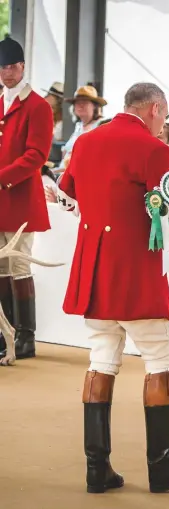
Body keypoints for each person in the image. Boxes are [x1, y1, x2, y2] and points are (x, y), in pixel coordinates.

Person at [55, 83, 169, 494]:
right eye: (163, 118)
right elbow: (168, 214)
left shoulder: (87, 142)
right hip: (135, 269)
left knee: (102, 355)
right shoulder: (153, 149)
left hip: (94, 268)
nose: (163, 127)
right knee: (158, 354)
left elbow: (66, 192)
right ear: (156, 108)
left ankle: (97, 468)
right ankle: (162, 464)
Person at [0, 36, 54, 362]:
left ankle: (26, 337)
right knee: (0, 268)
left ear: (23, 66)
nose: (7, 72)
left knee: (19, 265)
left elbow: (37, 155)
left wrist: (3, 178)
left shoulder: (38, 106)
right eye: (3, 66)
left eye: (12, 66)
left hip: (19, 197)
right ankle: (5, 333)